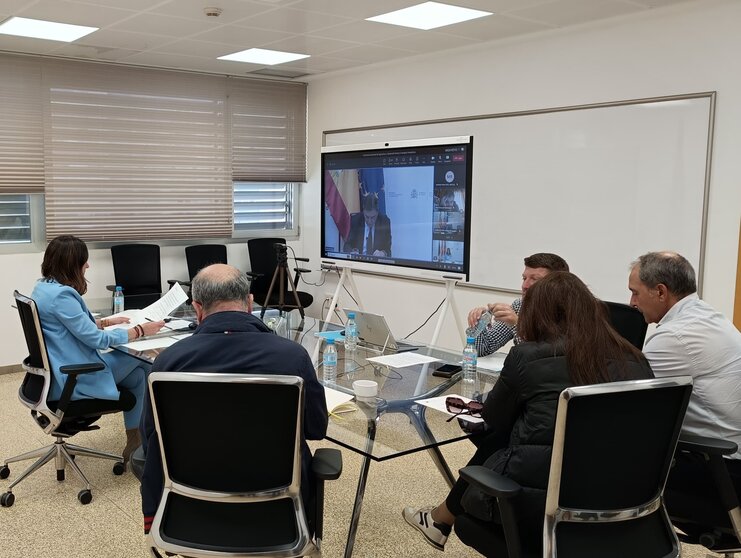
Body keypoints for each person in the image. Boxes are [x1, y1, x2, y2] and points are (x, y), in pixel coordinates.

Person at [403, 271, 653, 554]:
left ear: (537, 313)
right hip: (624, 505)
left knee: (496, 446)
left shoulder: (527, 357)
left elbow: (494, 419)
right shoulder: (635, 359)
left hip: (543, 508)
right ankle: (439, 518)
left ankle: (441, 518)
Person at [139, 264, 328, 534]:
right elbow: (316, 429)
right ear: (250, 303)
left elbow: (150, 438)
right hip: (279, 513)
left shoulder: (168, 363)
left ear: (197, 308)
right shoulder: (292, 357)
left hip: (186, 511)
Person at [628, 251, 741, 531]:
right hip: (729, 460)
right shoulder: (708, 317)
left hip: (724, 473)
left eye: (635, 293)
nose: (631, 303)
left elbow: (626, 399)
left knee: (604, 469)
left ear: (661, 292)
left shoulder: (674, 337)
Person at [31, 235, 164, 467]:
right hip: (75, 376)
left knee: (137, 377)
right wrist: (140, 330)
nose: (88, 265)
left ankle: (137, 443)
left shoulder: (43, 289)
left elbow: (69, 325)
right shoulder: (63, 296)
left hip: (56, 371)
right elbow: (97, 341)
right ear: (71, 264)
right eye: (84, 261)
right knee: (146, 363)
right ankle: (142, 442)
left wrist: (106, 322)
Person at [468, 253, 569, 357]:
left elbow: (542, 357)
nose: (524, 286)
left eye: (535, 279)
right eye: (524, 278)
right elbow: (483, 349)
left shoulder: (569, 311)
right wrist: (479, 324)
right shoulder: (520, 306)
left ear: (556, 284)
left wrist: (517, 324)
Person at [345, 192, 392, 257]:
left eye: (373, 217)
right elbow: (347, 245)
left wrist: (383, 253)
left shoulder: (384, 222)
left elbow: (388, 249)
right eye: (367, 217)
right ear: (363, 211)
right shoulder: (356, 220)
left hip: (376, 264)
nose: (369, 221)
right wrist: (351, 252)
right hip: (359, 261)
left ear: (377, 212)